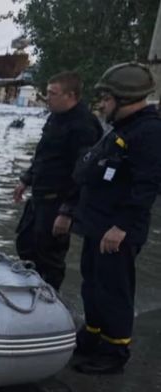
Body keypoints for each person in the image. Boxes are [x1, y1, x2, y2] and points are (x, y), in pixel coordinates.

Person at [62, 62, 161, 374]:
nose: (102, 105)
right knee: (93, 283)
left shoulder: (148, 132)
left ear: (124, 98)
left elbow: (147, 186)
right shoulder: (123, 129)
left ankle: (115, 350)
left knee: (114, 289)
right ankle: (92, 335)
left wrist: (121, 227)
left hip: (117, 229)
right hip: (98, 224)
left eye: (106, 99)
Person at [12, 71, 103, 291]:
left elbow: (84, 173)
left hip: (59, 201)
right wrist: (26, 179)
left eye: (53, 93)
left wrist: (67, 211)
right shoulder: (55, 117)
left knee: (50, 256)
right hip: (40, 195)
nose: (47, 97)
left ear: (70, 96)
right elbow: (44, 155)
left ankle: (49, 297)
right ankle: (28, 289)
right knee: (25, 243)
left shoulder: (84, 126)